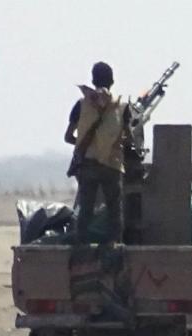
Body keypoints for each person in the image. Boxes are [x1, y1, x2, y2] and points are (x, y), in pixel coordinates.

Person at [65, 62, 130, 244]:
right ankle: (114, 247)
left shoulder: (81, 105)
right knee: (115, 211)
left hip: (87, 164)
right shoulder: (122, 108)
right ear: (112, 81)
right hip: (112, 165)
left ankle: (81, 247)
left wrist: (84, 145)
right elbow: (129, 139)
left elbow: (68, 136)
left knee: (85, 209)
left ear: (93, 80)